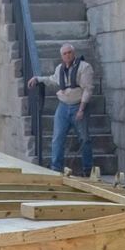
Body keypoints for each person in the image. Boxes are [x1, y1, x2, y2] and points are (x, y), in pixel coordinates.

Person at [29, 41, 95, 175]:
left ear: (74, 53)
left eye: (69, 52)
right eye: (65, 54)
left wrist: (81, 109)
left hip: (78, 105)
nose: (67, 55)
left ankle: (88, 170)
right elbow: (53, 79)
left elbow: (88, 89)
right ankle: (56, 169)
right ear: (62, 56)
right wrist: (38, 79)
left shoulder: (85, 67)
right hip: (63, 106)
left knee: (84, 139)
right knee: (57, 138)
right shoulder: (60, 68)